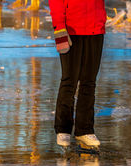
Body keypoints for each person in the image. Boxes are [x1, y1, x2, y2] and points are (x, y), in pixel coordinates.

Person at [49, 0, 106, 149]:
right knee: (69, 80)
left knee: (89, 81)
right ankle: (63, 129)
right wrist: (59, 27)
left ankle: (84, 130)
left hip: (96, 29)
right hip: (70, 30)